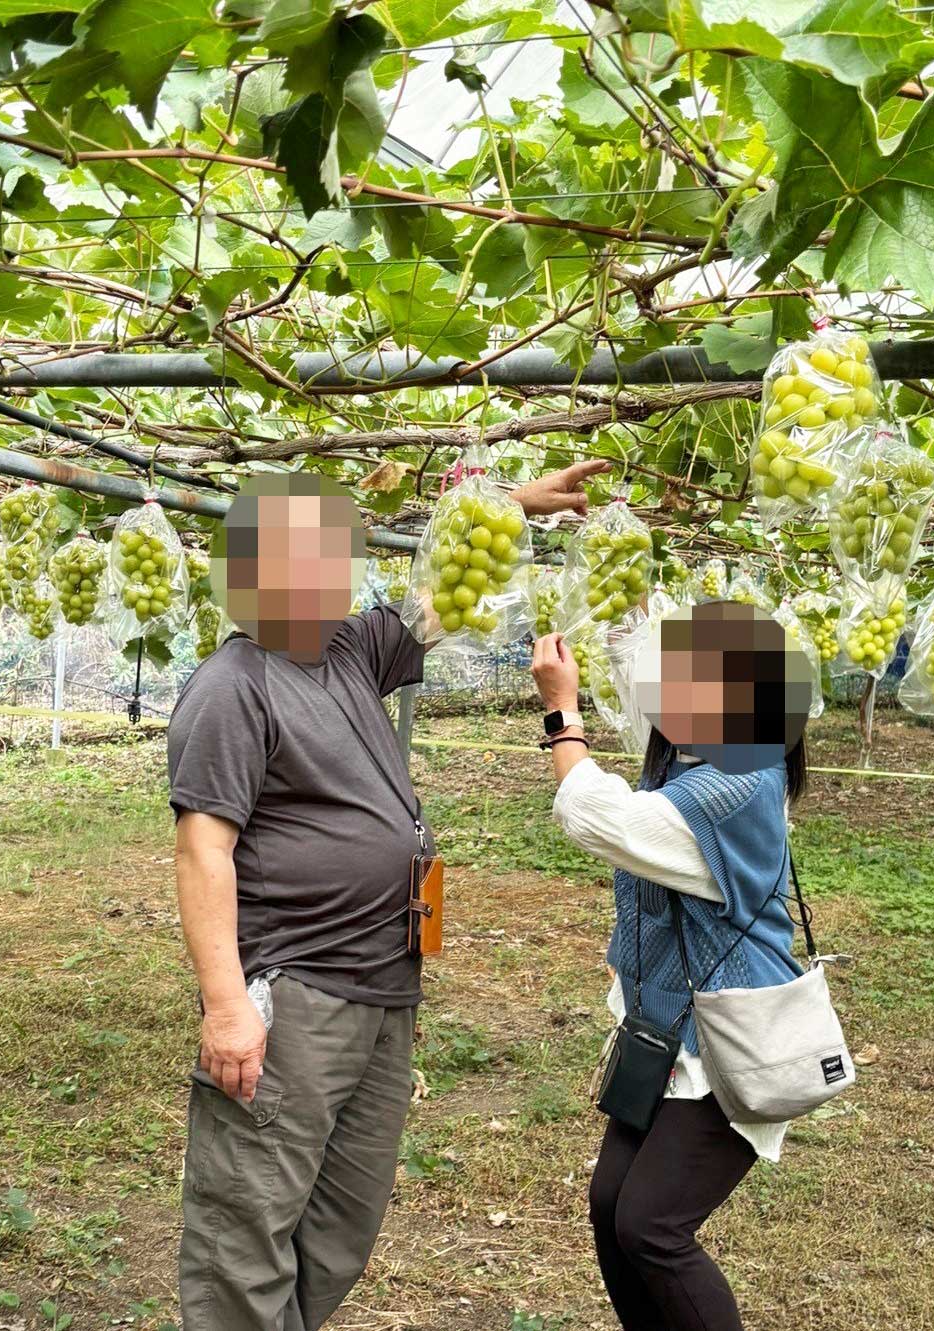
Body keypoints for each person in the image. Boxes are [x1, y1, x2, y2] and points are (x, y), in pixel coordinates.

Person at [169, 459, 608, 1331]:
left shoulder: (343, 651)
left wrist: (502, 504)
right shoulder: (232, 685)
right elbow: (201, 850)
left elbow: (439, 599)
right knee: (248, 1222)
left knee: (342, 1225)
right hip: (296, 990)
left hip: (383, 985)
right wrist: (227, 1006)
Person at [529, 603, 811, 1331]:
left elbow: (603, 819)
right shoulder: (696, 754)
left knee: (651, 1225)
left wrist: (563, 714)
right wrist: (625, 624)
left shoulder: (737, 783)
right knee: (610, 1207)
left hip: (727, 1036)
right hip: (665, 1032)